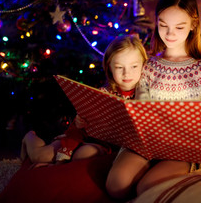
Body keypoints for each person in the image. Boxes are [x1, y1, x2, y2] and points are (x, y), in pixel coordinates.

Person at [106, 0, 201, 199]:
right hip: (147, 144)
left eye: (179, 27)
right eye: (163, 25)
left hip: (183, 150)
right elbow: (140, 111)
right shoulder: (149, 65)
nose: (169, 34)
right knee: (116, 185)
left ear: (194, 24)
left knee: (147, 189)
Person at [20, 35, 148, 166]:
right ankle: (30, 137)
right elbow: (81, 122)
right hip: (82, 137)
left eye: (134, 66)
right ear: (109, 67)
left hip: (106, 147)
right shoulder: (103, 94)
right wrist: (82, 120)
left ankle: (64, 165)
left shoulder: (147, 94)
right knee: (39, 156)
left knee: (86, 154)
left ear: (144, 65)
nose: (127, 73)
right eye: (119, 67)